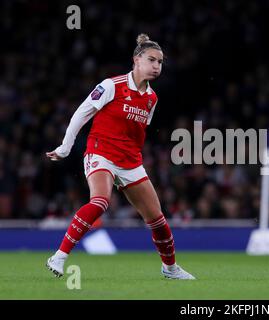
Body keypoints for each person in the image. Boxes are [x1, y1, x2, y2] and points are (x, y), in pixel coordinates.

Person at [45, 34, 195, 280]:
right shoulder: (111, 85)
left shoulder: (151, 98)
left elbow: (138, 131)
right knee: (100, 201)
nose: (157, 66)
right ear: (136, 60)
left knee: (157, 220)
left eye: (160, 62)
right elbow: (81, 114)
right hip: (101, 152)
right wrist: (65, 146)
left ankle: (170, 269)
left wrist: (135, 162)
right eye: (151, 60)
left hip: (130, 160)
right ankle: (59, 256)